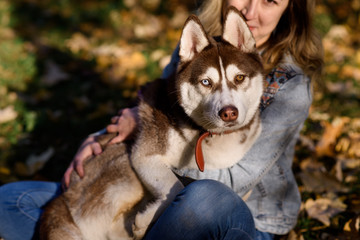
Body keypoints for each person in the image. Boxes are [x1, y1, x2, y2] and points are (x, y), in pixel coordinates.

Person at [0, 0, 323, 239]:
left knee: (204, 199)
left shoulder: (291, 85)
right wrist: (102, 135)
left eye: (269, 1)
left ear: (289, 9)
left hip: (239, 219)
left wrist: (156, 160)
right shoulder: (197, 49)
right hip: (153, 197)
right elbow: (158, 111)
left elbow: (238, 182)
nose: (251, 11)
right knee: (11, 201)